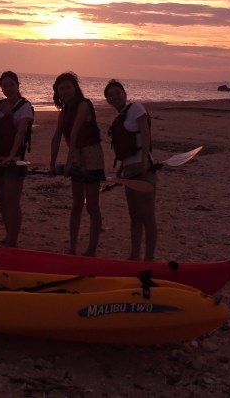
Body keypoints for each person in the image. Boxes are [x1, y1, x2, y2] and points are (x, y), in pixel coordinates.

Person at [49, 72, 105, 256]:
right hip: (76, 155)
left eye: (68, 87)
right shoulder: (64, 112)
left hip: (91, 155)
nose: (65, 91)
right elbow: (57, 136)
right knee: (76, 204)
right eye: (62, 88)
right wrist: (51, 163)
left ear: (75, 88)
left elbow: (74, 133)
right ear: (57, 92)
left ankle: (91, 249)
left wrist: (68, 161)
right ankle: (72, 247)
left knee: (92, 205)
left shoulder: (84, 104)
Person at [104, 79, 157, 261]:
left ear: (125, 94)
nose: (115, 97)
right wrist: (120, 170)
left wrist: (144, 163)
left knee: (147, 216)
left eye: (118, 93)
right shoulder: (120, 118)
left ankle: (149, 259)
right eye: (111, 95)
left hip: (143, 169)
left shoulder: (135, 108)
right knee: (134, 215)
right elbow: (126, 149)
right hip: (128, 171)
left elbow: (145, 135)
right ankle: (134, 256)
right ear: (108, 100)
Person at [0, 71, 34, 247]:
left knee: (12, 202)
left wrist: (10, 156)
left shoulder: (25, 107)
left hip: (15, 161)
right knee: (1, 201)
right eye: (4, 85)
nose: (8, 88)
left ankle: (13, 240)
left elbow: (21, 134)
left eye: (11, 84)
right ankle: (8, 236)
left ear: (17, 85)